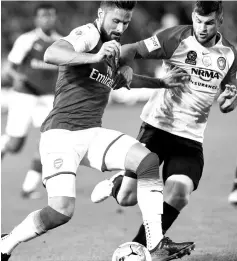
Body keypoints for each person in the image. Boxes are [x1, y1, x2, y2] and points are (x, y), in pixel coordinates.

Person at [1, 1, 194, 261]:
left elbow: (122, 81)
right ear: (101, 14)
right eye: (115, 20)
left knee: (147, 161)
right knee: (60, 212)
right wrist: (95, 56)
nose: (121, 27)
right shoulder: (89, 35)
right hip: (61, 135)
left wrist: (160, 82)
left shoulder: (111, 49)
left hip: (92, 133)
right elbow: (53, 53)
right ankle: (7, 243)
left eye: (125, 22)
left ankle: (156, 243)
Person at [91, 0, 237, 247]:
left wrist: (228, 102)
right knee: (127, 198)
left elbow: (228, 100)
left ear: (219, 20)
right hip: (157, 129)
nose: (202, 28)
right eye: (198, 21)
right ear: (192, 16)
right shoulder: (175, 37)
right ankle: (118, 185)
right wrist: (125, 68)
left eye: (209, 23)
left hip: (190, 139)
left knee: (179, 193)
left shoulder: (229, 54)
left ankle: (141, 247)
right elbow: (130, 49)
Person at [1, 3, 62, 199]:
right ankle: (3, 145)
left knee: (48, 143)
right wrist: (15, 76)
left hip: (47, 98)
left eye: (51, 16)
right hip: (24, 96)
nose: (48, 19)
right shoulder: (27, 40)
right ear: (36, 19)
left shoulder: (61, 43)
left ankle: (28, 188)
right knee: (14, 145)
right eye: (44, 16)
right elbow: (8, 68)